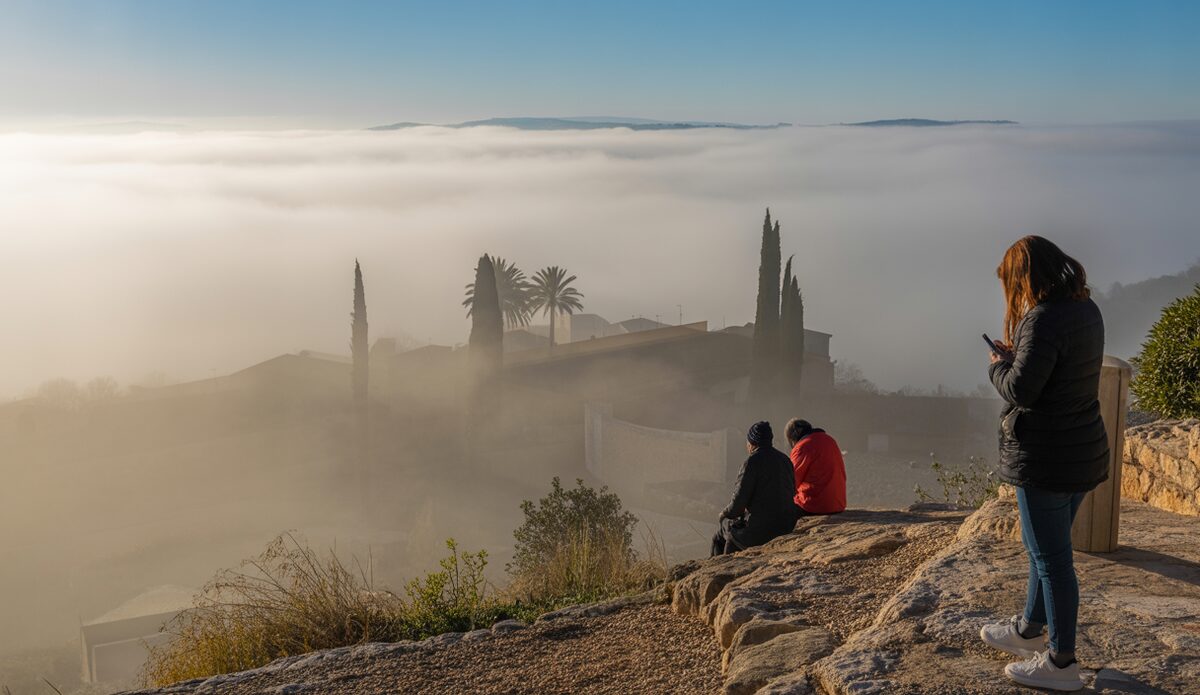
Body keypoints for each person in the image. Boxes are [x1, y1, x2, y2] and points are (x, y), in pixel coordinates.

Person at [978, 236, 1108, 692]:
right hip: (1081, 450)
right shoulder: (1085, 310)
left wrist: (998, 364)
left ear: (1024, 278)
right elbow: (1056, 373)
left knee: (1053, 561)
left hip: (1046, 458)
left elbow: (1022, 391)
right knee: (1045, 550)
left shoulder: (1042, 319)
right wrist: (1020, 360)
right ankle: (1029, 631)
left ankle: (1061, 662)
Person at [711, 421, 797, 556]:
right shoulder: (785, 460)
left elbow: (738, 503)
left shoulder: (752, 462)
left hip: (761, 532)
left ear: (751, 443)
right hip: (786, 527)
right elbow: (792, 492)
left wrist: (724, 514)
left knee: (722, 531)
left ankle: (716, 570)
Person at [785, 418, 847, 518]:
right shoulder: (830, 440)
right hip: (838, 504)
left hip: (814, 505)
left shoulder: (803, 446)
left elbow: (791, 481)